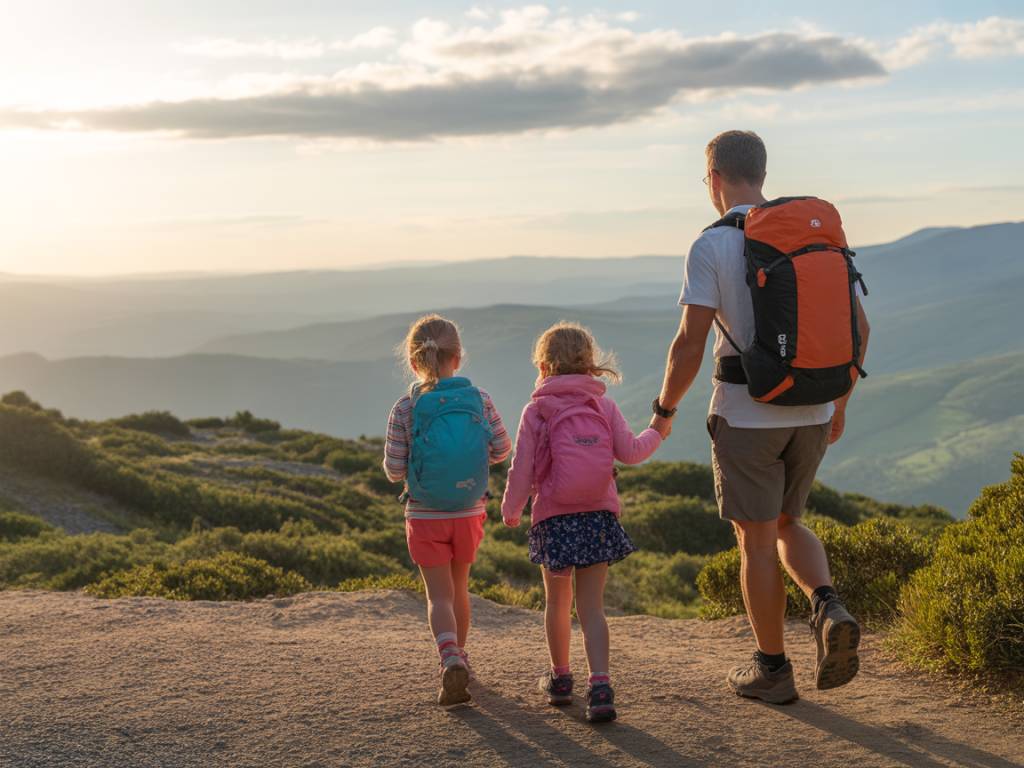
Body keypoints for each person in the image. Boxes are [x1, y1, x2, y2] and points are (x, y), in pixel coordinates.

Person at [650, 130, 870, 704]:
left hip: (748, 415)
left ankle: (773, 669)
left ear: (714, 179)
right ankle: (827, 605)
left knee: (754, 541)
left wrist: (665, 410)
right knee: (789, 524)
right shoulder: (810, 233)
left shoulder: (711, 246)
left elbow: (690, 343)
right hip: (815, 408)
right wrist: (838, 405)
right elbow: (861, 330)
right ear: (763, 174)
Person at [502, 322, 663, 722]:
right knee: (593, 609)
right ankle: (601, 687)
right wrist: (659, 430)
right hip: (597, 517)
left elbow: (520, 468)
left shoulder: (536, 409)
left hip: (555, 519)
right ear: (590, 364)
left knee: (558, 604)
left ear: (542, 364)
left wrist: (511, 509)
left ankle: (560, 680)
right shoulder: (602, 405)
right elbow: (631, 451)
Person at [383, 314, 511, 706]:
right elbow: (503, 450)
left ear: (413, 361)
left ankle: (449, 656)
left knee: (437, 596)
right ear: (458, 357)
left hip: (425, 514)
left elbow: (393, 470)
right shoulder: (481, 399)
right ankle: (461, 658)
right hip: (469, 510)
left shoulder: (405, 408)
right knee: (460, 590)